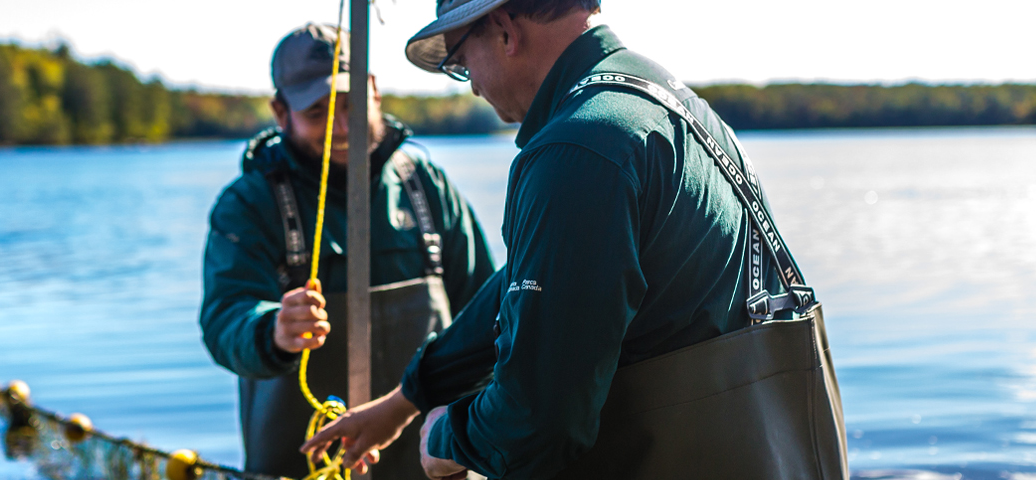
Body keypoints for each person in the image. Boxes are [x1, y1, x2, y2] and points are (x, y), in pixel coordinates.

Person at [301, 1, 849, 479]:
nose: (472, 85)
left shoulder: (575, 149)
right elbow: (535, 278)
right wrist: (409, 397)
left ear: (504, 30)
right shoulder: (671, 102)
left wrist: (445, 437)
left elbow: (539, 425)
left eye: (462, 63)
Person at [199, 23, 498, 480]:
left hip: (432, 464)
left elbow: (489, 313)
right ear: (281, 112)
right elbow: (223, 318)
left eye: (352, 104)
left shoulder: (426, 185)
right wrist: (271, 329)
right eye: (317, 112)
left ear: (374, 92)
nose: (342, 127)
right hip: (301, 466)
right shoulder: (248, 203)